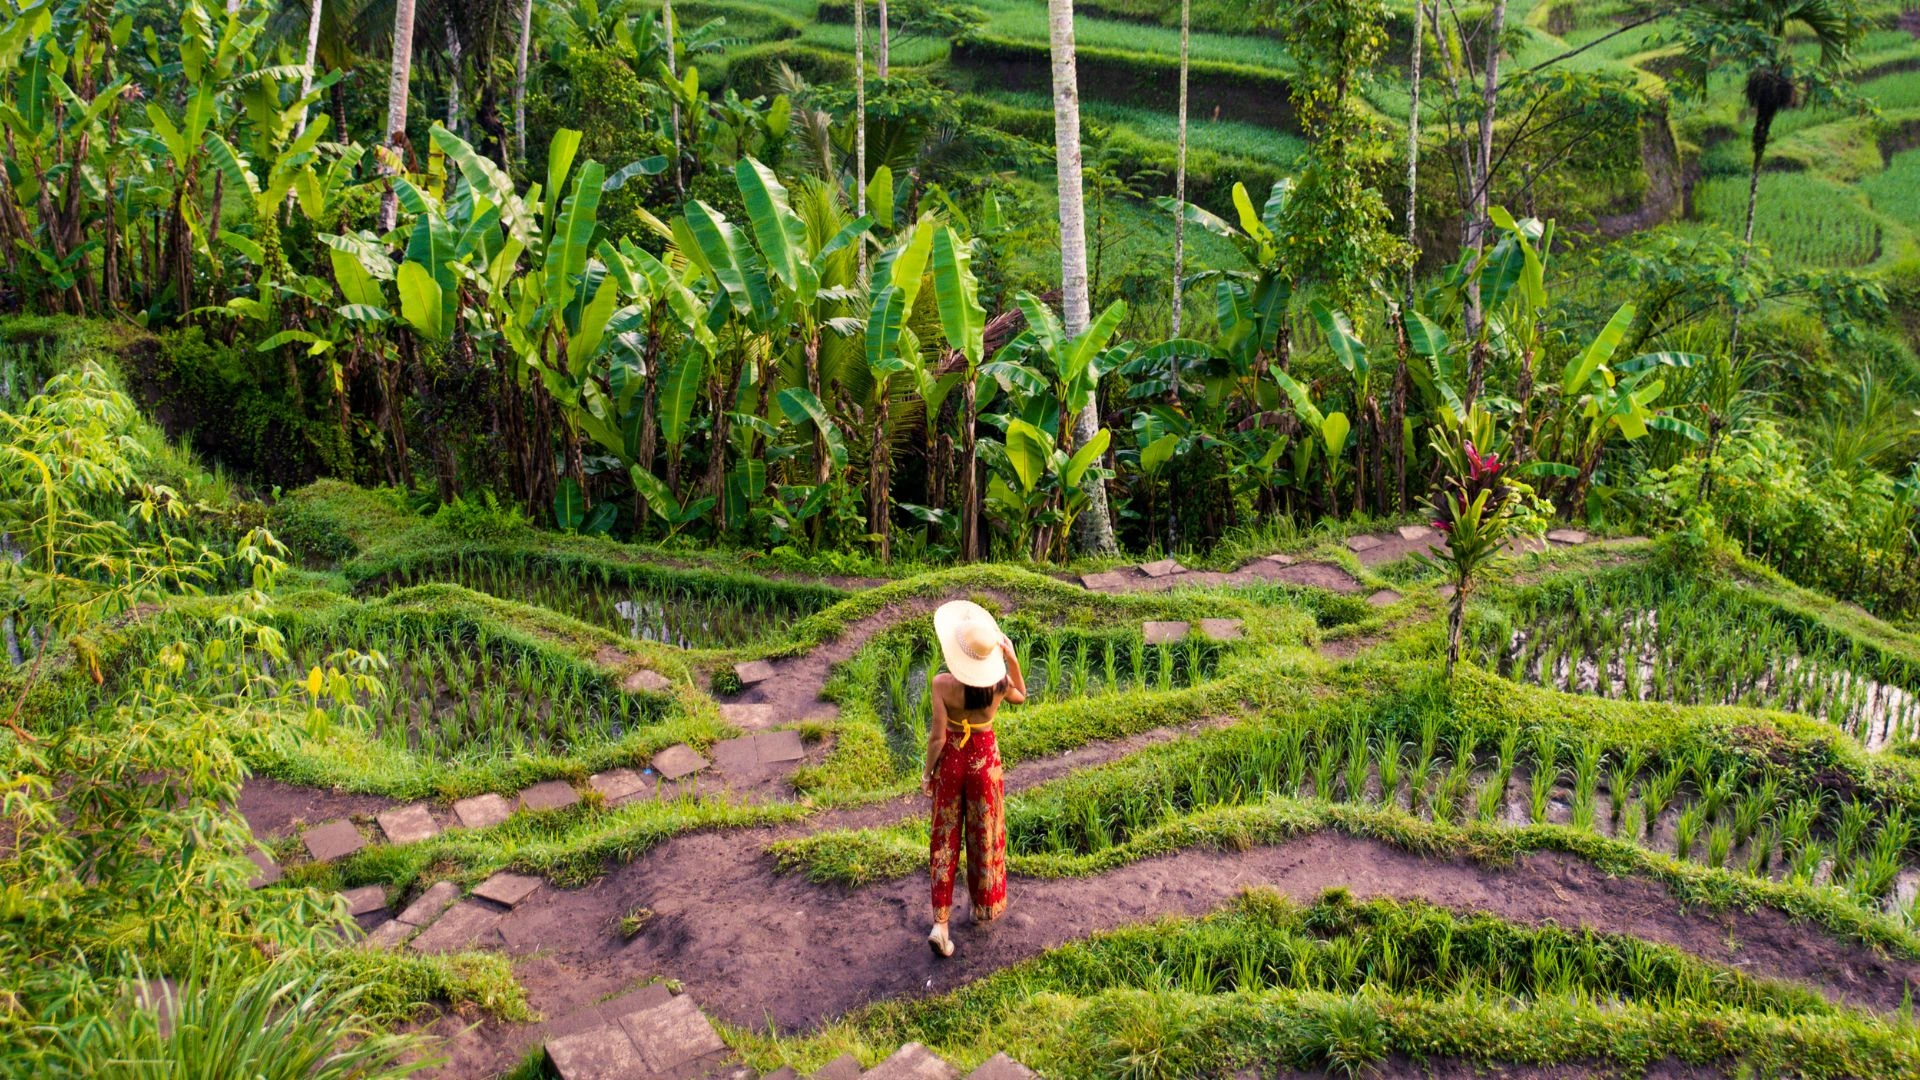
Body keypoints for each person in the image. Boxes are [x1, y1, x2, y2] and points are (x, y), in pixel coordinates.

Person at [923, 599, 1026, 957]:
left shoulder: (941, 685)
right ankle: (981, 907)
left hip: (952, 762)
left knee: (945, 839)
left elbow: (937, 738)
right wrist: (1011, 657)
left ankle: (941, 923)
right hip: (985, 764)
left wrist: (927, 774)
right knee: (985, 835)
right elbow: (1021, 695)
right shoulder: (998, 684)